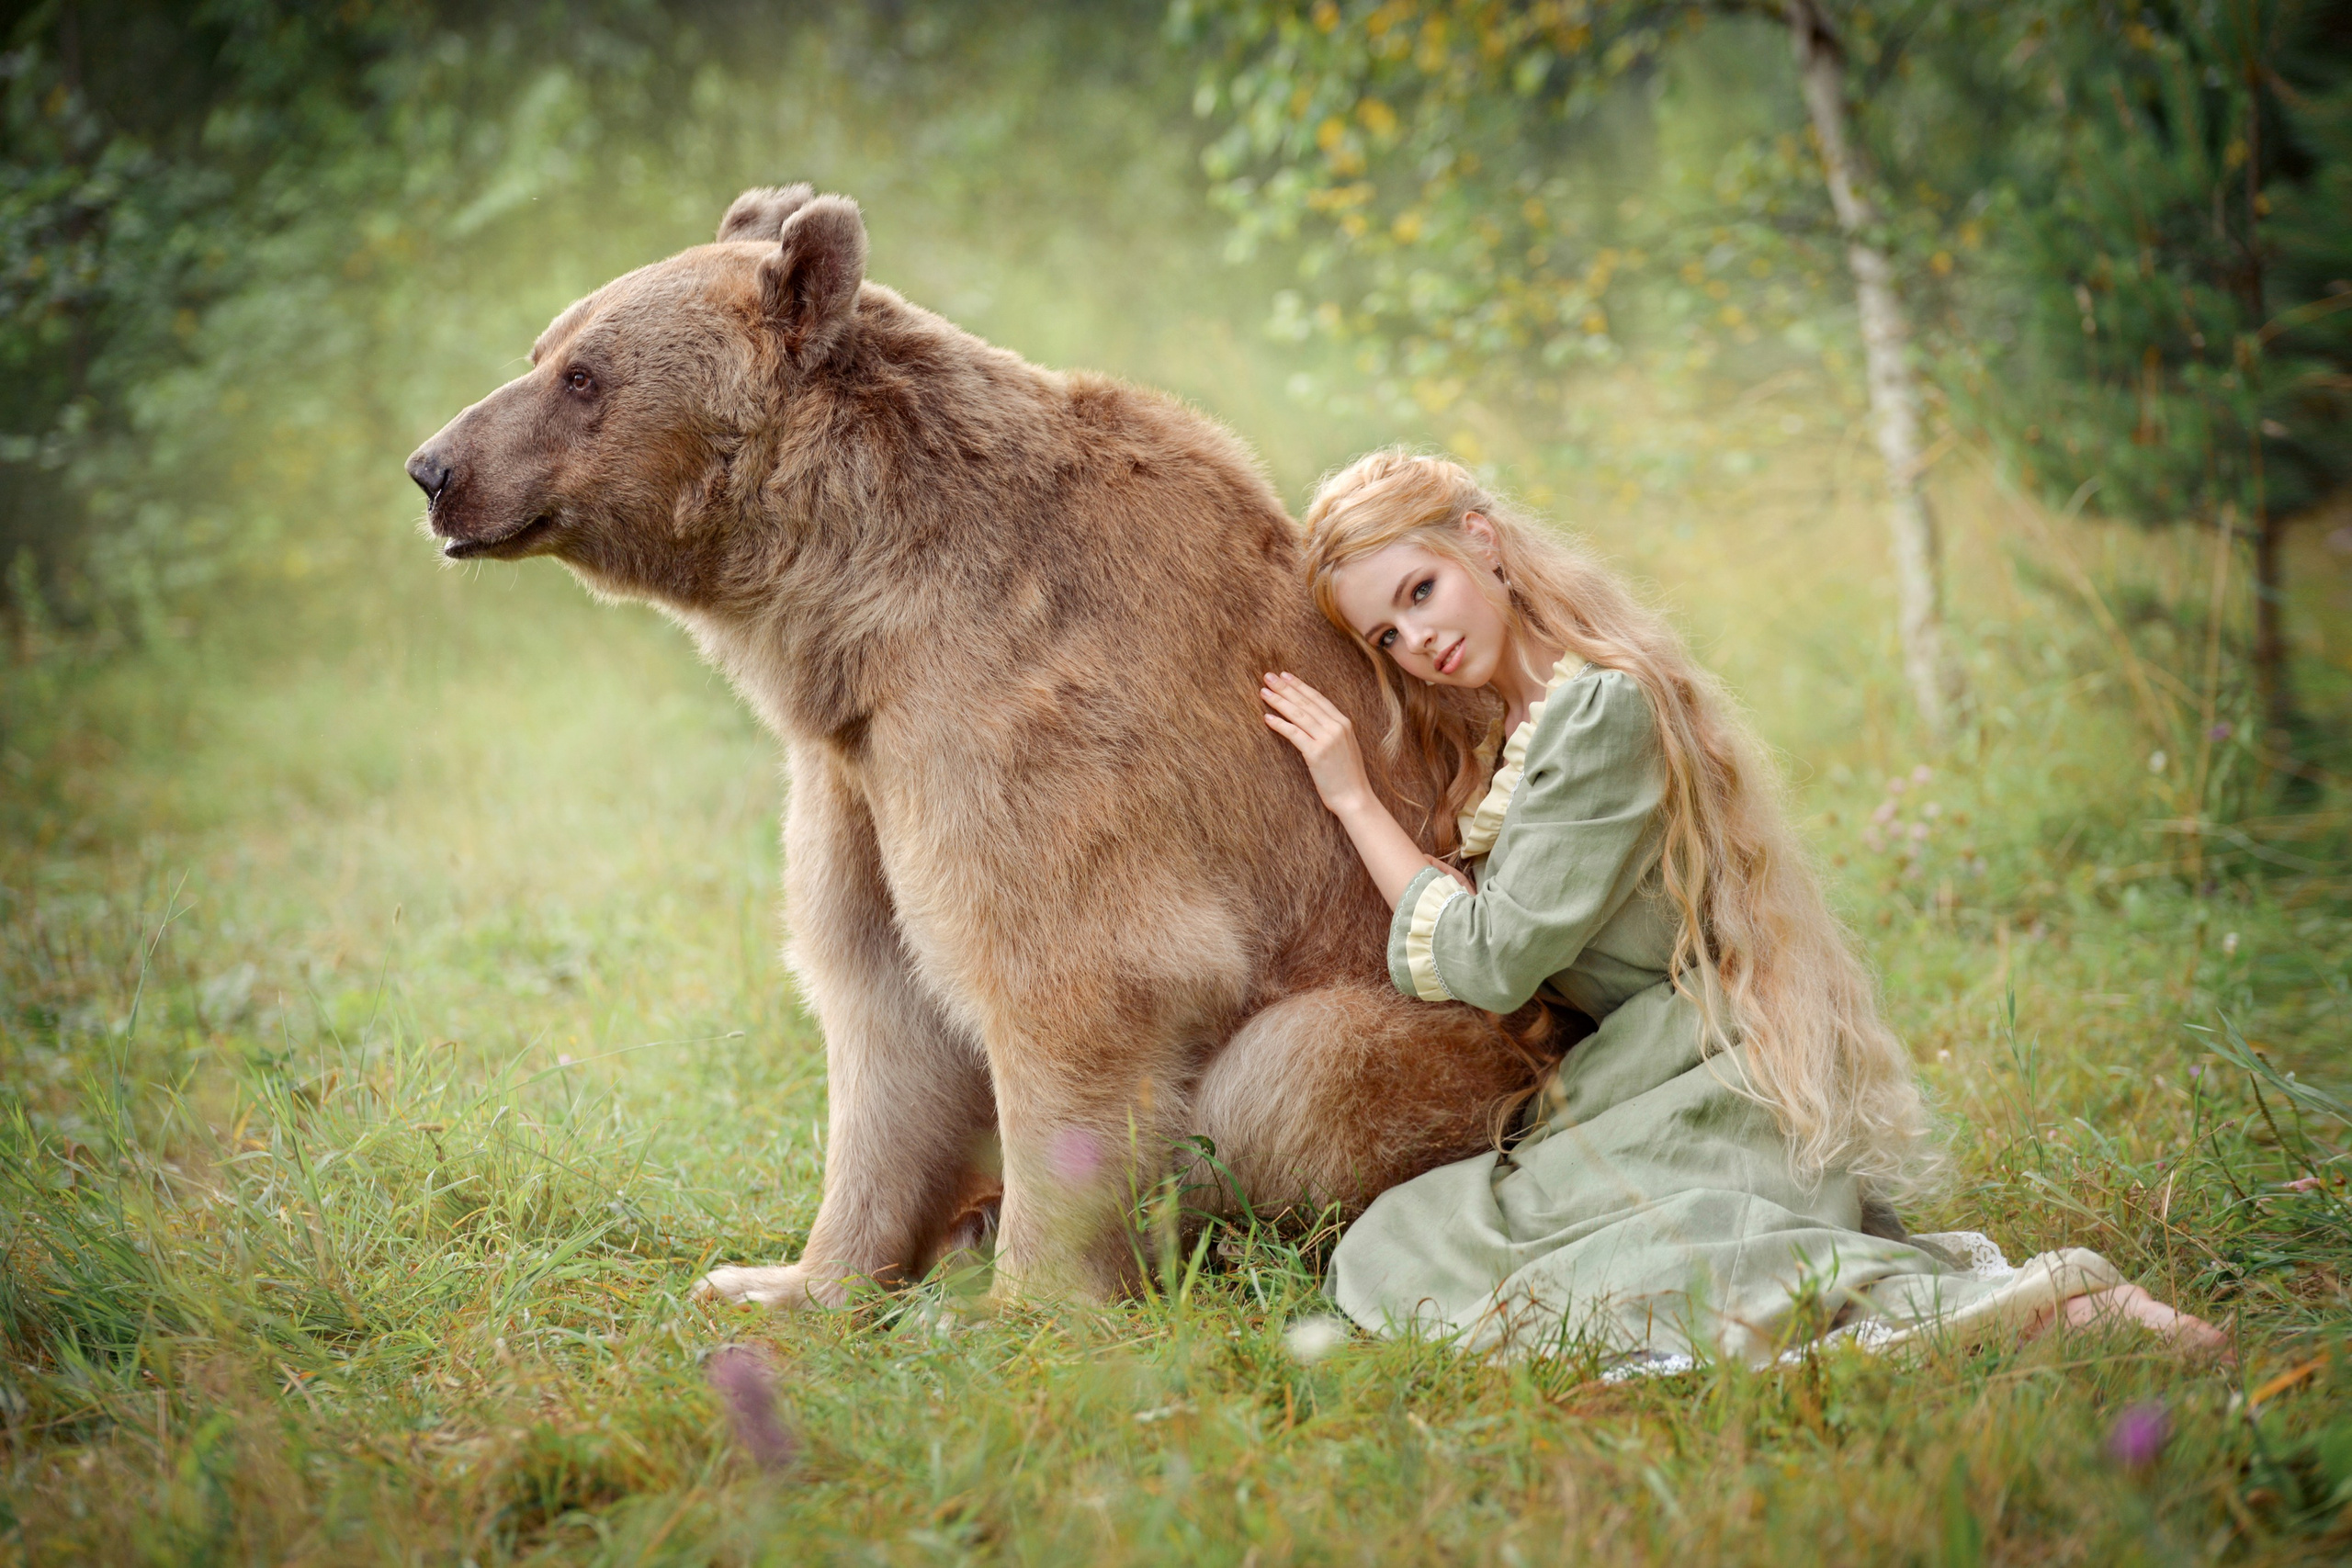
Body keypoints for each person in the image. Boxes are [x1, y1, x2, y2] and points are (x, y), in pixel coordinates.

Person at [1257, 449, 2224, 1368]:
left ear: (1482, 541)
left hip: (1706, 1064)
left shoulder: (1597, 713)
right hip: (1636, 1066)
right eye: (1386, 634)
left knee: (1601, 1266)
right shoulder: (1522, 726)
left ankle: (2078, 1309)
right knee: (1408, 1241)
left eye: (1420, 592)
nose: (1417, 639)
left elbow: (1494, 959)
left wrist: (1349, 797)